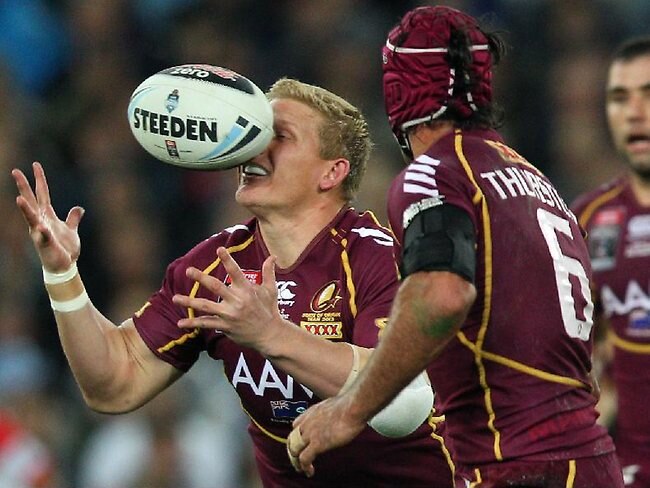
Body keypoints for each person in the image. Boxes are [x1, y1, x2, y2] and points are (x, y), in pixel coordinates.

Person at [12, 78, 457, 487]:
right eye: (252, 131)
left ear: (332, 172)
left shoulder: (379, 256)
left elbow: (402, 401)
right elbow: (113, 385)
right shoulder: (214, 265)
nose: (251, 147)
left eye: (277, 136)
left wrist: (271, 334)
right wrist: (62, 273)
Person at [287, 6, 625, 487]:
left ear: (398, 89)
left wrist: (349, 408)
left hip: (520, 465)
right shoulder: (537, 184)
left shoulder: (434, 174)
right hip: (589, 462)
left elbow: (442, 294)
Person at [570, 36, 650, 488]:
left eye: (649, 94)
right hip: (619, 465)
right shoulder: (585, 219)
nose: (634, 112)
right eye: (620, 98)